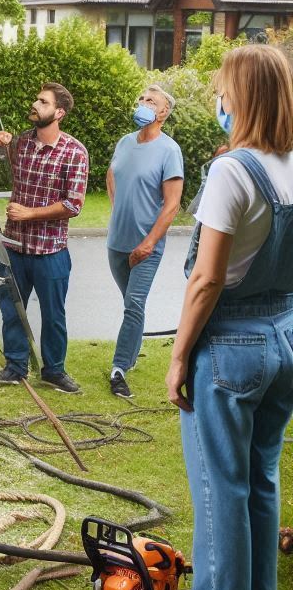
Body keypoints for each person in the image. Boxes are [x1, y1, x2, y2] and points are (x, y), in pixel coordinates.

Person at [167, 45, 293, 590]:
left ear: (240, 98)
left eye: (223, 89)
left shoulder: (232, 170)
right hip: (286, 335)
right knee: (261, 476)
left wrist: (177, 356)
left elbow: (207, 278)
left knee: (221, 481)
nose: (218, 98)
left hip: (232, 341)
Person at [0, 83, 88, 394]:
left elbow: (74, 205)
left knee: (53, 315)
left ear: (59, 113)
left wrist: (30, 214)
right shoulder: (21, 143)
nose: (35, 104)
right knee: (13, 310)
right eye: (36, 99)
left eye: (43, 102)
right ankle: (15, 367)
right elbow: (5, 160)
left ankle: (54, 371)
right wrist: (0, 143)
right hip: (15, 247)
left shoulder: (74, 152)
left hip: (50, 252)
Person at [105, 86, 184, 399]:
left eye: (151, 101)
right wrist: (117, 208)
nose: (143, 104)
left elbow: (172, 204)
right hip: (117, 242)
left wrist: (150, 242)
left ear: (163, 113)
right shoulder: (125, 142)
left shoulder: (169, 150)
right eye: (141, 99)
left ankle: (119, 368)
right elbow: (112, 175)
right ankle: (132, 355)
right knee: (131, 305)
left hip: (146, 247)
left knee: (134, 305)